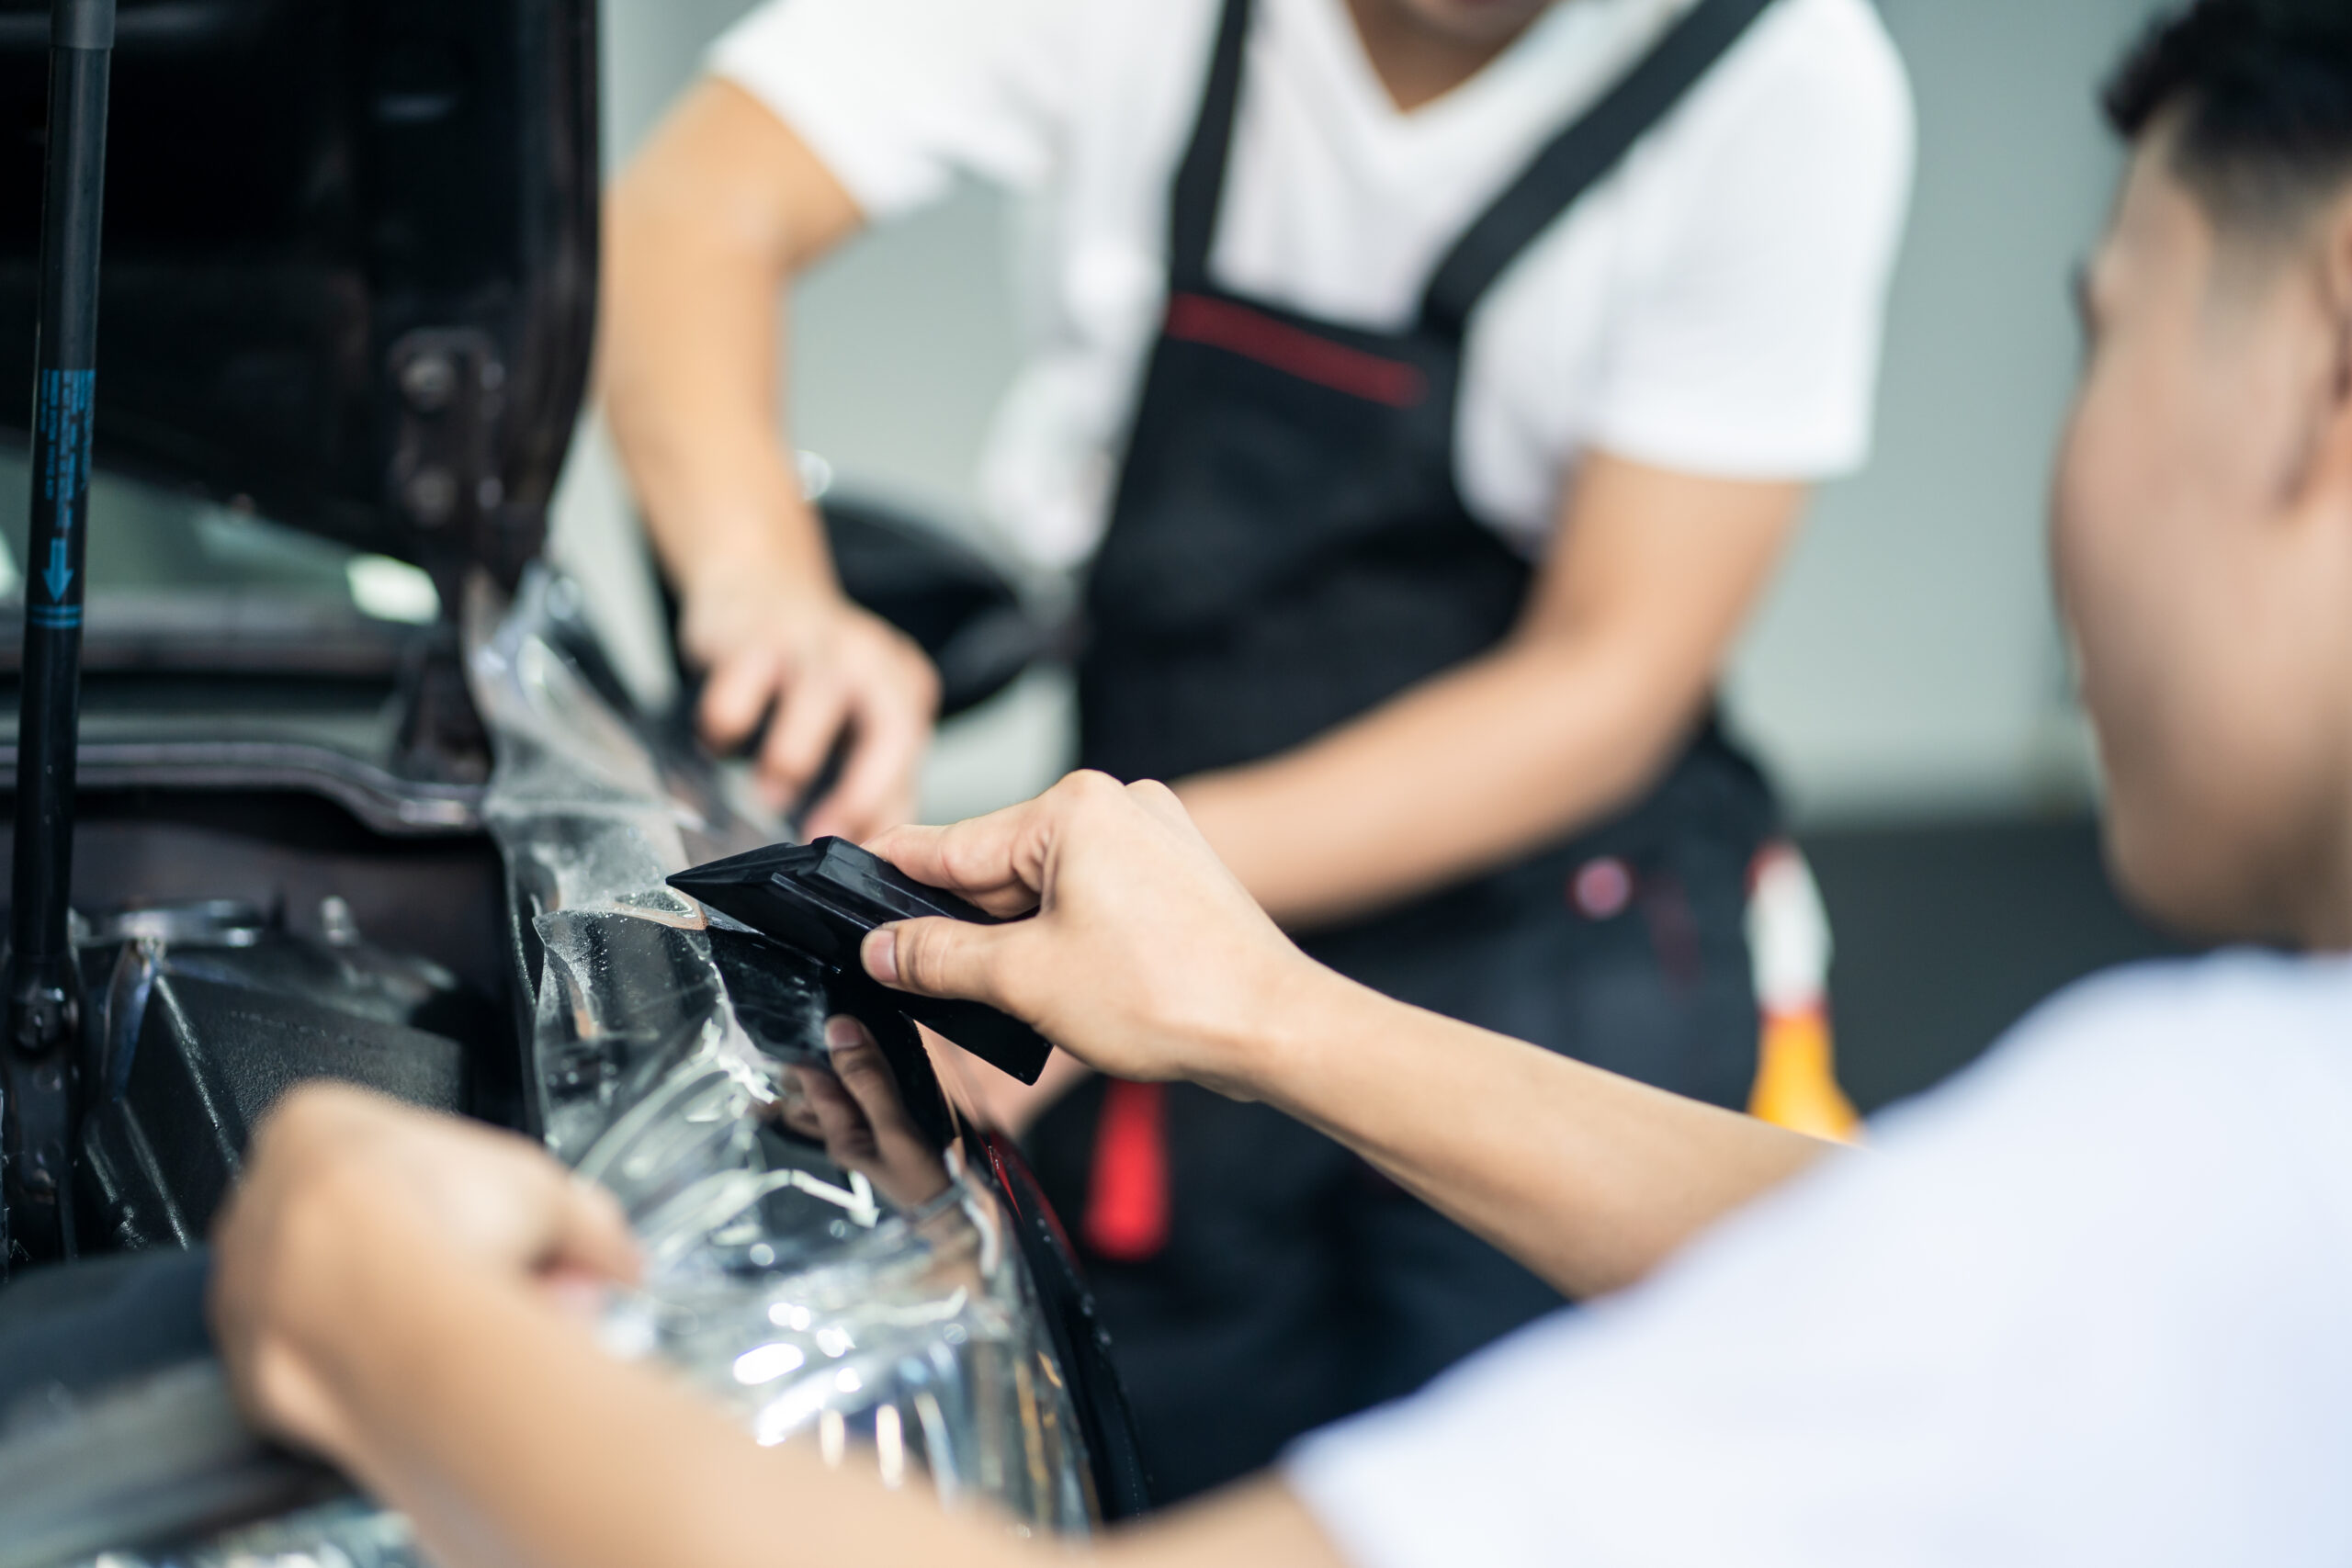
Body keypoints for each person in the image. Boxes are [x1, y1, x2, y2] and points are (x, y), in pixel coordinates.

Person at [211, 3, 2352, 1559]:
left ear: (2324, 371)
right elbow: (1901, 1247)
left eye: (2106, 329)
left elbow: (1605, 682)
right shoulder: (2185, 1168)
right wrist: (1245, 1002)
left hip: (1573, 940)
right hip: (1203, 969)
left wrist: (372, 1307)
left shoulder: (2204, 1166)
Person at [603, 0, 1913, 1491]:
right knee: (1147, 1457)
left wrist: (1128, 924)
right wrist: (767, 592)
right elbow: (684, 211)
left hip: (1549, 965)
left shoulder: (1785, 80)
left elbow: (1605, 683)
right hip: (1151, 956)